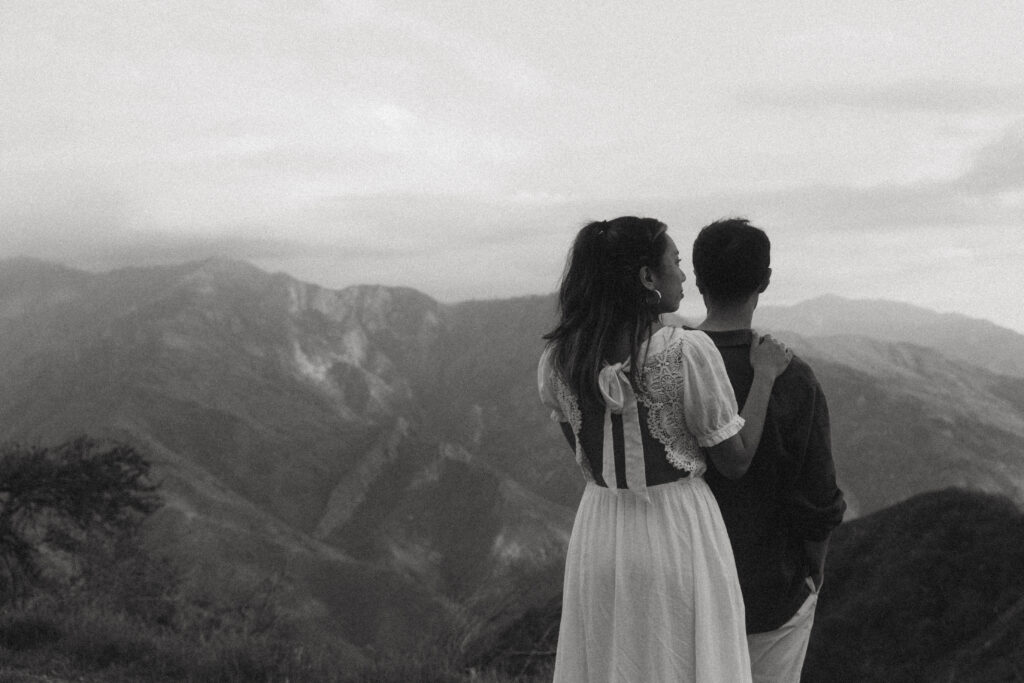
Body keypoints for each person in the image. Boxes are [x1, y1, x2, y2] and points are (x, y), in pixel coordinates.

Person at [538, 216, 792, 683]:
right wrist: (765, 377)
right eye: (674, 262)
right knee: (682, 660)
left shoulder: (559, 360)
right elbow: (735, 460)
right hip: (677, 529)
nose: (682, 273)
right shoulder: (685, 351)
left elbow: (585, 455)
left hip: (600, 529)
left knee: (611, 658)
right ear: (647, 278)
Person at [691, 218, 847, 683]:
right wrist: (812, 570)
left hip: (685, 590)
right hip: (769, 592)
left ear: (697, 280)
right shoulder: (792, 377)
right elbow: (817, 494)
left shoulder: (667, 365)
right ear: (766, 280)